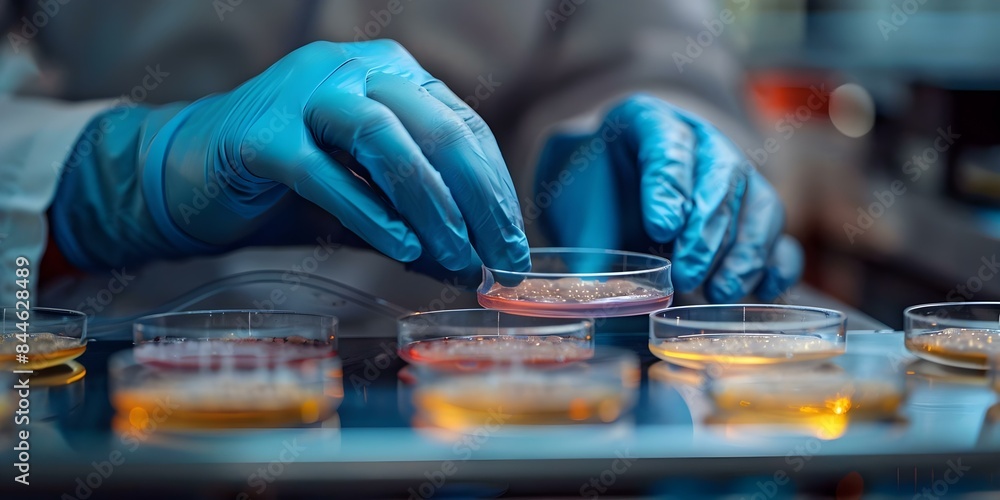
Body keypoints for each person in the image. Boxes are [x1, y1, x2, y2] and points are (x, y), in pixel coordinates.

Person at [0, 0, 801, 311]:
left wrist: (653, 139)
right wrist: (99, 178)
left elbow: (656, 48)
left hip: (485, 396)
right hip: (110, 368)